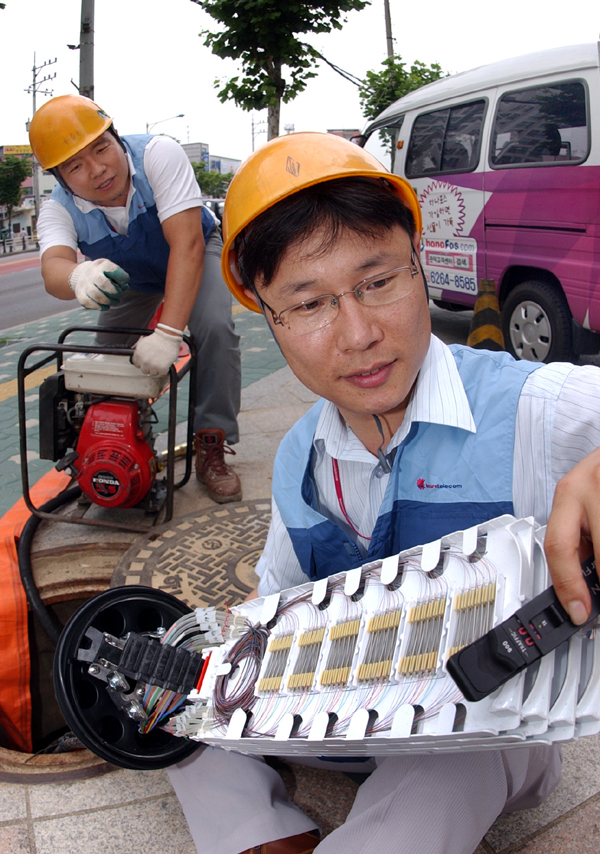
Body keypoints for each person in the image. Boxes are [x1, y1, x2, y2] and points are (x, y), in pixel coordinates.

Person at [167, 131, 600, 854]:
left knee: (461, 739)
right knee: (174, 706)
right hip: (344, 716)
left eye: (378, 281)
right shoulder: (299, 455)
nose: (360, 334)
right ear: (270, 321)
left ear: (420, 267)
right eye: (309, 304)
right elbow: (276, 612)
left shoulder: (535, 408)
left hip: (489, 726)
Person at [28, 94, 242, 504]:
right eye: (75, 166)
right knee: (104, 362)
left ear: (116, 136)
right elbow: (51, 270)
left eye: (101, 148)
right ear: (59, 176)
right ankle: (112, 448)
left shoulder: (159, 154)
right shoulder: (57, 210)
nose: (98, 169)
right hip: (135, 281)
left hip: (194, 248)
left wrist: (167, 333)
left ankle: (212, 442)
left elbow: (187, 246)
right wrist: (77, 274)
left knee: (213, 327)